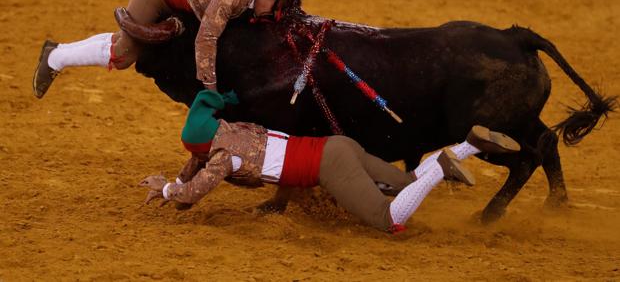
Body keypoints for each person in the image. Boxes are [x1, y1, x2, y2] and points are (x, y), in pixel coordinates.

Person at [139, 90, 520, 233]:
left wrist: (169, 187)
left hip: (330, 168)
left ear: (205, 146)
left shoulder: (221, 160)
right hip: (338, 146)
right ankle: (469, 144)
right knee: (408, 185)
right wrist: (184, 168)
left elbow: (193, 192)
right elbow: (199, 158)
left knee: (391, 219)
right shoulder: (237, 129)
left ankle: (441, 167)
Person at [33, 0, 297, 98]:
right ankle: (55, 57)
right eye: (274, 6)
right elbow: (206, 38)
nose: (274, 14)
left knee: (124, 41)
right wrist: (211, 89)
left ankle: (57, 52)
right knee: (124, 54)